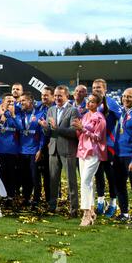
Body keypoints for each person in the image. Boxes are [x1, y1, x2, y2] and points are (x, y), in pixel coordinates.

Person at [39, 85, 79, 217]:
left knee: (71, 181)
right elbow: (50, 132)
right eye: (55, 95)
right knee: (53, 180)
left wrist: (56, 128)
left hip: (68, 149)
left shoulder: (73, 110)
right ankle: (52, 207)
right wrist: (45, 128)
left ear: (67, 96)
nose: (57, 98)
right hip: (53, 149)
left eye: (59, 95)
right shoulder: (51, 110)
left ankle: (74, 210)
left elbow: (74, 132)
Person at [72, 93, 107, 226]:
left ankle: (86, 214)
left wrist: (82, 129)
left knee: (85, 182)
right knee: (88, 183)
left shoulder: (100, 118)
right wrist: (78, 129)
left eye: (92, 102)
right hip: (82, 151)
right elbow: (80, 134)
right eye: (88, 101)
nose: (88, 104)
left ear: (98, 104)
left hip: (94, 152)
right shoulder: (85, 115)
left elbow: (98, 137)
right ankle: (92, 211)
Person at [93, 79, 121, 217]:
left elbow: (121, 120)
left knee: (111, 175)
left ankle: (113, 203)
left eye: (99, 87)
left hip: (109, 145)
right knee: (98, 175)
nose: (96, 89)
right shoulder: (92, 103)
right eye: (94, 87)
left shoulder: (112, 103)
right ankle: (100, 201)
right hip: (95, 146)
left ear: (105, 89)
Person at [0, 93, 23, 204]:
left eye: (12, 101)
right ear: (3, 102)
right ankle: (2, 196)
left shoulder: (16, 114)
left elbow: (21, 128)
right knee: (1, 175)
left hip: (12, 151)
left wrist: (13, 116)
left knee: (12, 175)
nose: (10, 103)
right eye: (8, 101)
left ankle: (11, 197)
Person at [113, 88, 132, 222]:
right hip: (119, 155)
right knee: (119, 185)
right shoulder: (123, 112)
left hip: (130, 156)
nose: (126, 99)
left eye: (130, 97)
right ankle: (124, 213)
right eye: (124, 96)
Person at [19, 92, 46, 209]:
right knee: (25, 177)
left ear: (30, 101)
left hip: (34, 151)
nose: (21, 103)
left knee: (35, 177)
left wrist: (40, 149)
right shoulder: (20, 115)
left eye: (23, 101)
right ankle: (25, 197)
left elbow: (43, 135)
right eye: (20, 101)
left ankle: (36, 199)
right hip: (22, 151)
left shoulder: (40, 114)